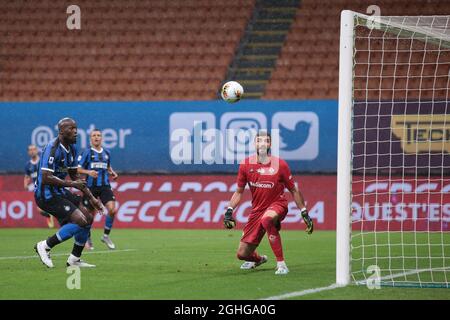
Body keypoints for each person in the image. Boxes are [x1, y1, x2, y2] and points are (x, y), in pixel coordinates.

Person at [223, 130, 314, 275]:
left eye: (266, 140)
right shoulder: (246, 165)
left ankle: (281, 264)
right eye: (259, 140)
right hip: (257, 210)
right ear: (254, 144)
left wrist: (304, 212)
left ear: (270, 144)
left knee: (267, 219)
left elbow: (294, 190)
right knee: (242, 254)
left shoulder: (280, 165)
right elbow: (239, 192)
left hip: (278, 204)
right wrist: (229, 210)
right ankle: (257, 259)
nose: (262, 143)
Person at [34, 118, 103, 268]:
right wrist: (72, 184)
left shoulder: (72, 149)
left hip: (59, 191)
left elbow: (74, 175)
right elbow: (46, 178)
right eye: (71, 129)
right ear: (61, 131)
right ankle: (45, 245)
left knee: (88, 217)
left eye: (76, 128)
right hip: (45, 195)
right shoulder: (52, 148)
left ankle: (74, 260)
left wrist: (92, 199)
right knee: (80, 220)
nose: (75, 132)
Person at [77, 129, 118, 250]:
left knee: (112, 210)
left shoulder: (107, 153)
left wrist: (112, 172)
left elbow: (108, 166)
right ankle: (87, 239)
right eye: (94, 135)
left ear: (102, 138)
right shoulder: (86, 153)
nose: (96, 137)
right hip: (90, 188)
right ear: (90, 138)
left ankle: (105, 236)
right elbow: (77, 169)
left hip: (105, 186)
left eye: (99, 135)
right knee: (89, 216)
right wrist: (88, 172)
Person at [24, 144, 55, 228]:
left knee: (54, 204)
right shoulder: (28, 165)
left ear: (37, 150)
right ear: (28, 152)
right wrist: (25, 184)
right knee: (40, 210)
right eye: (30, 150)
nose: (32, 151)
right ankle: (49, 215)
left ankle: (61, 219)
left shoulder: (43, 161)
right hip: (38, 189)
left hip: (48, 186)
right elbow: (27, 176)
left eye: (34, 149)